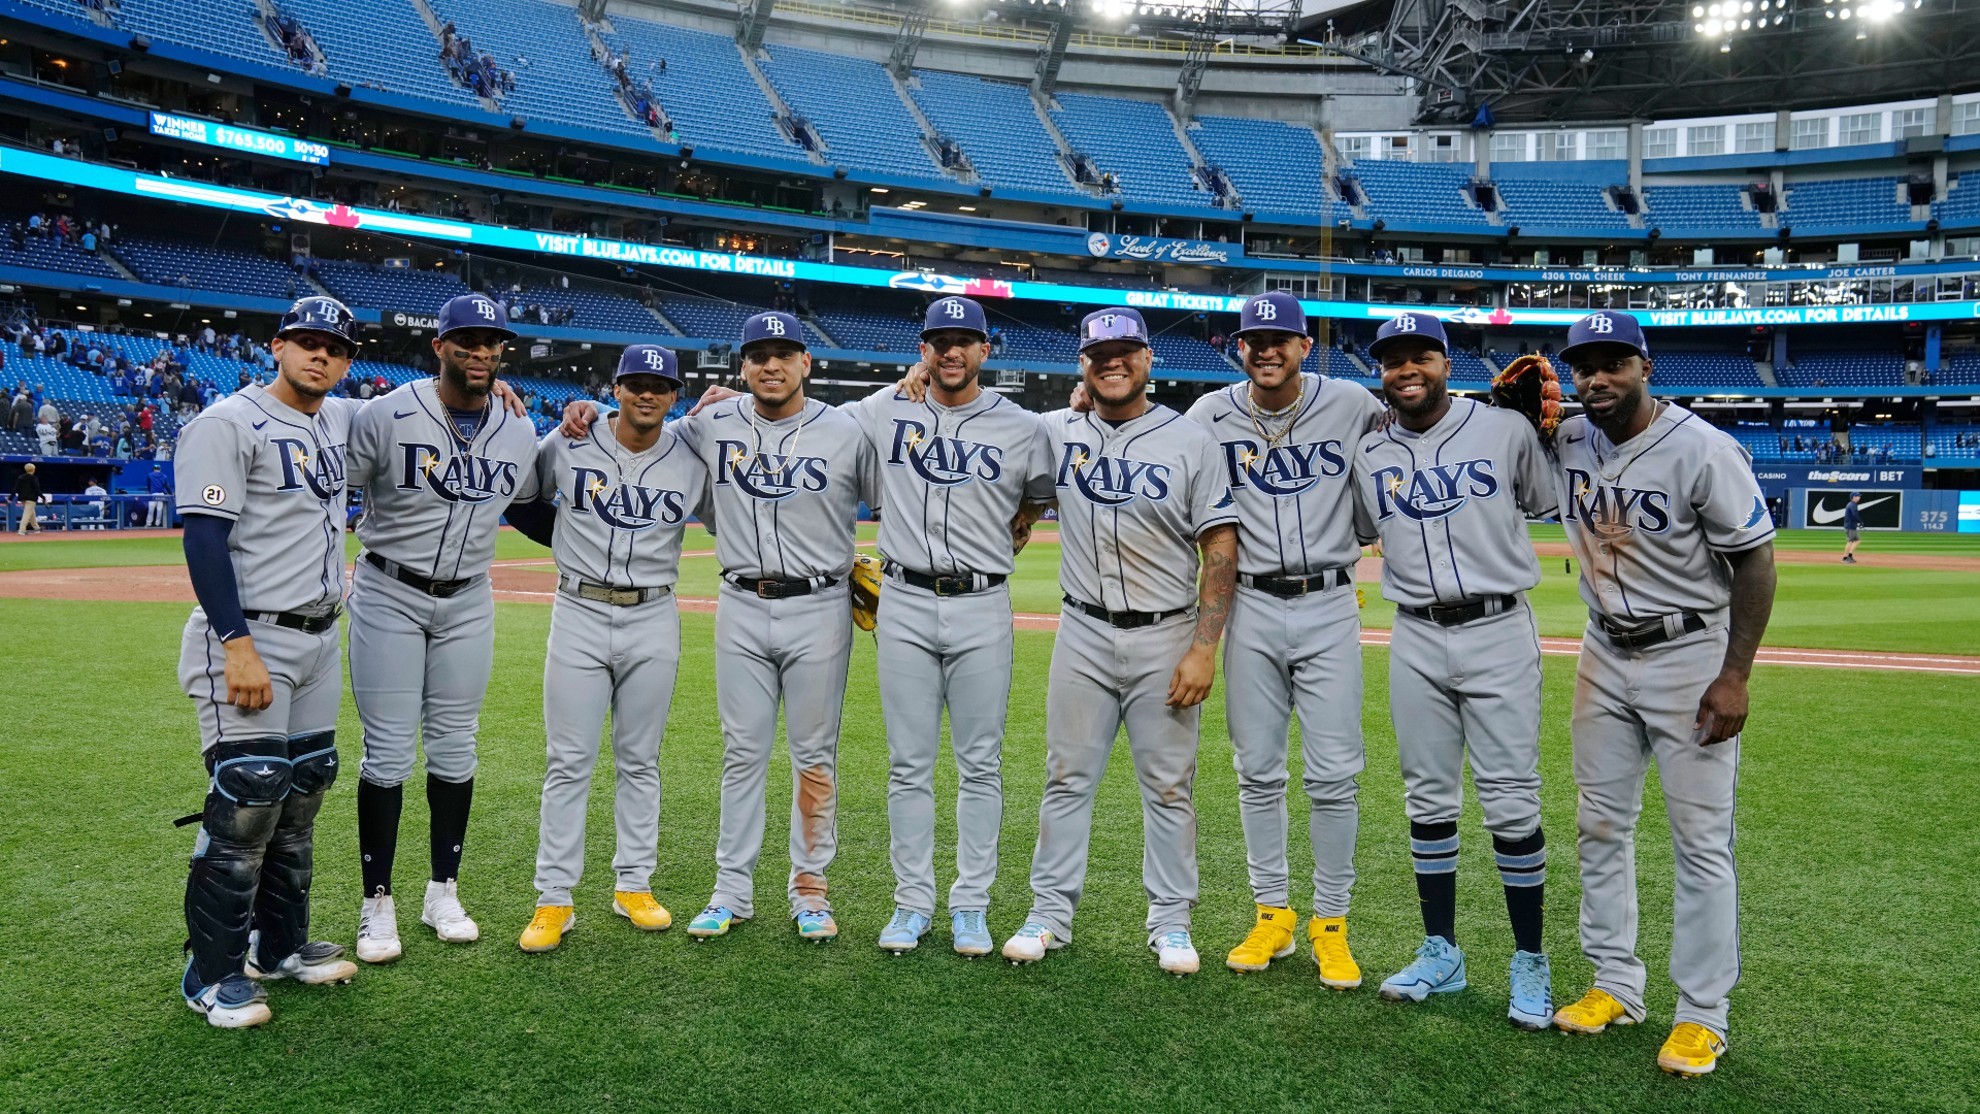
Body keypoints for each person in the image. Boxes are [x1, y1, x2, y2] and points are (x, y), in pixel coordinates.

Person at [567, 312, 878, 943]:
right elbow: (635, 426)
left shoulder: (844, 431)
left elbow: (894, 499)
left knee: (814, 756)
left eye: (784, 353)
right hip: (740, 602)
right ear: (741, 367)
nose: (771, 364)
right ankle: (731, 891)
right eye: (758, 354)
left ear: (806, 364)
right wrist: (586, 411)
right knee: (743, 754)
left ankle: (810, 890)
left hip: (820, 604)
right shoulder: (707, 425)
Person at [1545, 311, 1777, 1080]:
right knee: (1600, 827)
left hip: (1690, 651)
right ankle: (1616, 982)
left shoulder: (1703, 448)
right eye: (1584, 367)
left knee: (1699, 841)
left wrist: (1736, 671)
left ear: (1646, 366)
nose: (1597, 379)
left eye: (1613, 363)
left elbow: (1755, 562)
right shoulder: (1571, 436)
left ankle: (1702, 1014)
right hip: (1603, 648)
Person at [998, 308, 1239, 976]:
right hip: (1082, 629)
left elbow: (1220, 542)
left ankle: (1171, 923)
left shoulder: (1189, 439)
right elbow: (988, 434)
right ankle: (1049, 914)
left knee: (1168, 785)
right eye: (1098, 353)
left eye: (1125, 350)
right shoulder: (1053, 431)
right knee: (1066, 776)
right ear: (1082, 363)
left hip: (1165, 632)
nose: (1112, 361)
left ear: (1146, 359)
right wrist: (914, 377)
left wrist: (1204, 646)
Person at [1350, 312, 1559, 1028]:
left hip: (1499, 626)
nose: (1406, 370)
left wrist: (1552, 431)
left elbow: (1545, 498)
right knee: (1427, 799)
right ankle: (1441, 949)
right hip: (1413, 632)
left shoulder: (1504, 431)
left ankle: (1530, 958)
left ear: (1446, 362)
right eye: (1392, 360)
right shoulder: (1369, 453)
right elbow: (1357, 528)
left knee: (1511, 800)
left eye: (1420, 356)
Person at [171, 296, 367, 1029]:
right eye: (307, 342)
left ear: (347, 361)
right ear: (276, 345)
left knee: (302, 793)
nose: (321, 355)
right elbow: (203, 538)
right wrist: (236, 643)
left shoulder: (334, 420)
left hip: (318, 637)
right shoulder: (227, 422)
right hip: (252, 636)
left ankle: (277, 944)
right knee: (247, 800)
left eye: (335, 347)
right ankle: (211, 973)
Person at [837, 297, 1056, 955]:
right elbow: (801, 420)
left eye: (965, 340)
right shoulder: (883, 410)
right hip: (901, 600)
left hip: (982, 603)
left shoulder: (1024, 426)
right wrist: (721, 400)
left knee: (979, 763)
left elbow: (1039, 496)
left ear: (986, 350)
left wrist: (1005, 543)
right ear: (923, 348)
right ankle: (912, 904)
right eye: (940, 340)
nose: (952, 351)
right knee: (908, 764)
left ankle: (970, 906)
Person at [1181, 291, 1382, 983]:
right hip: (1252, 608)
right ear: (1239, 348)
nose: (1266, 349)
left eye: (1280, 339)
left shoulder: (1352, 403)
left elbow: (1425, 423)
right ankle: (1273, 915)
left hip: (1329, 601)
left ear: (1304, 347)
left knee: (1333, 775)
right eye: (1253, 339)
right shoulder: (1207, 415)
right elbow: (1144, 438)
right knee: (1257, 771)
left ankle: (1331, 921)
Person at [344, 295, 541, 965]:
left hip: (468, 599)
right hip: (388, 590)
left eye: (492, 342)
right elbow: (326, 488)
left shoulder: (518, 428)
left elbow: (538, 508)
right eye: (467, 340)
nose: (481, 351)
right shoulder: (385, 414)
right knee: (389, 753)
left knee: (456, 747)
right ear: (439, 345)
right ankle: (377, 901)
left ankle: (442, 890)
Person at [506, 345, 706, 953]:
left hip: (653, 612)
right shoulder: (569, 440)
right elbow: (520, 499)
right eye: (636, 383)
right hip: (579, 609)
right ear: (615, 388)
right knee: (568, 761)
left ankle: (633, 885)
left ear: (675, 395)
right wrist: (566, 536)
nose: (648, 394)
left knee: (640, 759)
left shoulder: (693, 453)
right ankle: (554, 899)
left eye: (661, 385)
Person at [13, 462, 41, 533]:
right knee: (27, 514)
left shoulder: (20, 477)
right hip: (31, 499)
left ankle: (36, 528)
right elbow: (37, 489)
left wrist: (10, 497)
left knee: (31, 513)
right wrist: (43, 497)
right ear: (33, 470)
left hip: (22, 498)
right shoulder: (34, 478)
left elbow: (16, 488)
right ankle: (22, 530)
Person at [1841, 492, 1862, 564]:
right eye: (1858, 496)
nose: (1859, 497)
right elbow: (1854, 515)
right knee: (1851, 542)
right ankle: (1847, 557)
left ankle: (1846, 557)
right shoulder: (1853, 505)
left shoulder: (1851, 504)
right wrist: (1860, 522)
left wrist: (1858, 523)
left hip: (1850, 526)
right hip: (1850, 526)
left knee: (1856, 541)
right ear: (1854, 497)